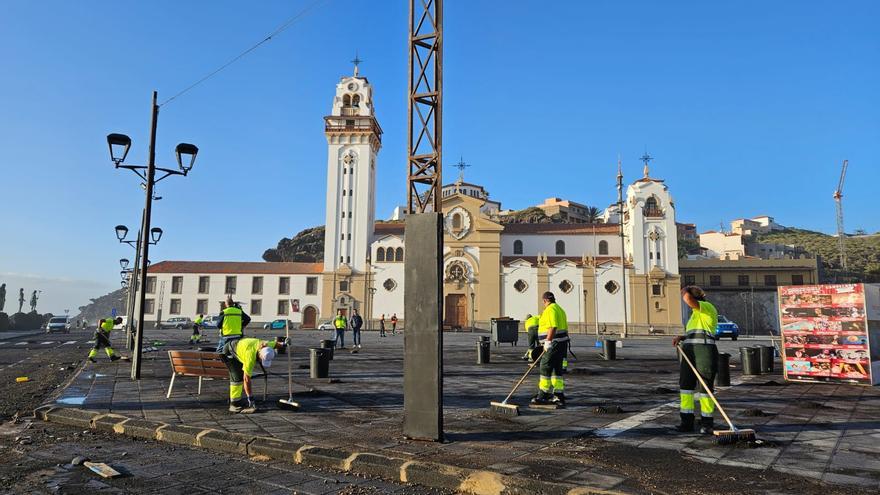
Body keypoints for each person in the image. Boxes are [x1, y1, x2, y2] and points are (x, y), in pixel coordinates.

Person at [673, 285, 719, 435]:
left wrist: (684, 289)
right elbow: (696, 333)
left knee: (705, 388)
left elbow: (687, 298)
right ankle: (686, 421)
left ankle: (707, 423)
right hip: (689, 352)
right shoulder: (694, 315)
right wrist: (683, 337)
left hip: (704, 352)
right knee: (686, 386)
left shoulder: (707, 307)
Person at [221, 337, 280, 414]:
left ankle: (238, 401)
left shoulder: (267, 345)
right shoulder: (250, 357)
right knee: (237, 377)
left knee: (240, 375)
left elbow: (277, 344)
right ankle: (234, 404)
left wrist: (285, 343)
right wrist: (250, 398)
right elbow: (246, 379)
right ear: (259, 354)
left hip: (240, 348)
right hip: (229, 352)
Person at [531, 291, 570, 406]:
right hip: (561, 343)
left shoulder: (550, 310)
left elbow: (553, 327)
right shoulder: (560, 309)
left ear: (544, 300)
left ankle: (543, 394)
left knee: (545, 366)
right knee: (556, 369)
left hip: (553, 343)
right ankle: (558, 395)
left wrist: (548, 342)